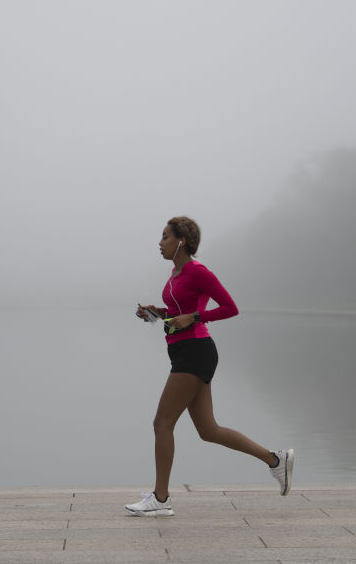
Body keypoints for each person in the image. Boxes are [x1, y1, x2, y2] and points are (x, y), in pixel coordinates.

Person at [125, 216, 294, 517]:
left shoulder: (198, 272)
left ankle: (160, 499)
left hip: (195, 352)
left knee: (162, 423)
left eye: (165, 237)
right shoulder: (175, 274)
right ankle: (276, 460)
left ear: (181, 242)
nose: (160, 243)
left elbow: (230, 308)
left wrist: (195, 317)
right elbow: (177, 312)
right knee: (209, 430)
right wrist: (157, 312)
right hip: (184, 351)